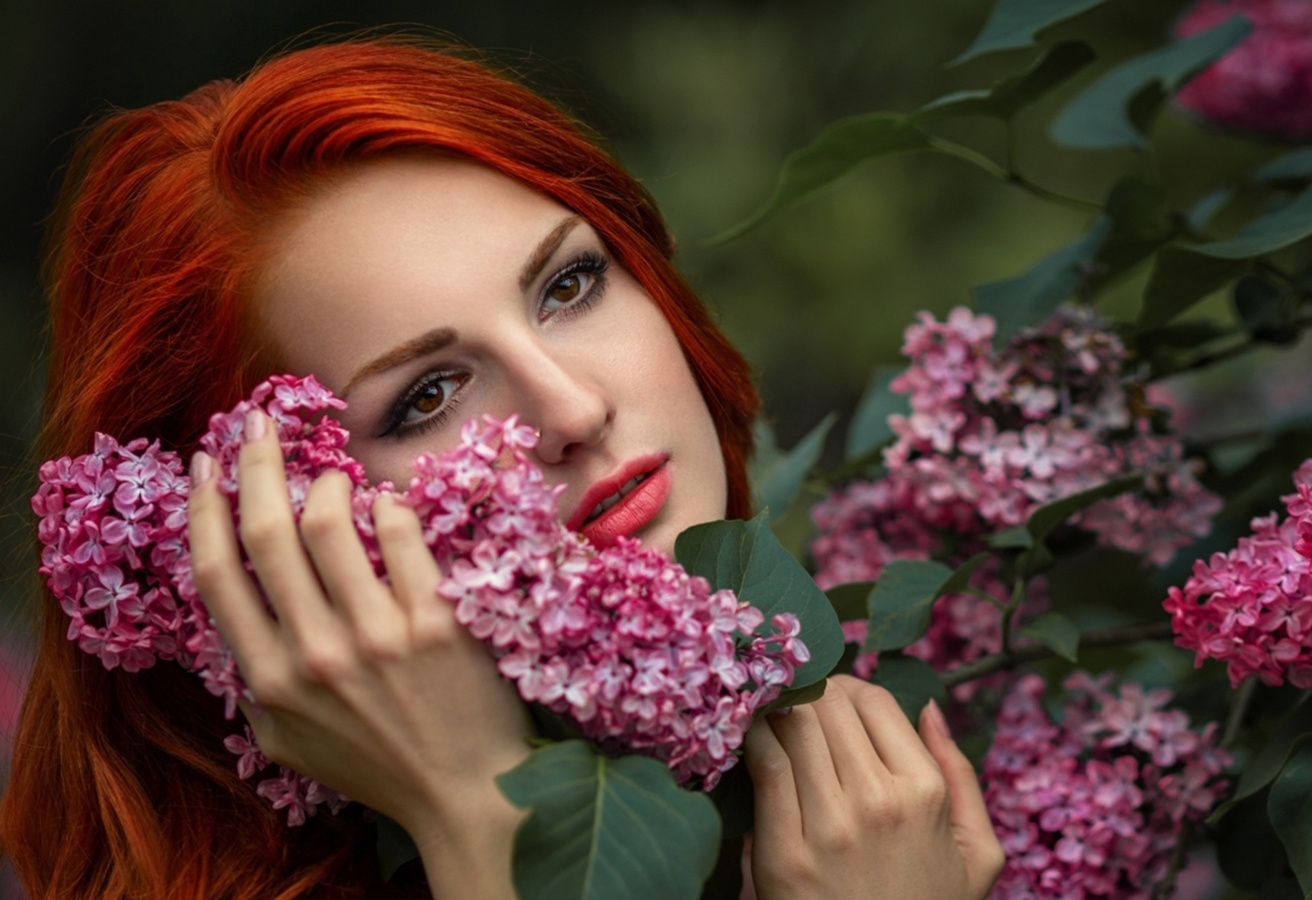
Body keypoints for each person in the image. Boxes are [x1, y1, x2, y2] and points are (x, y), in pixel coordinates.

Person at [1, 37, 1005, 900]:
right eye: (428, 395)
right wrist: (471, 805)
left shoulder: (915, 771)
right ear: (257, 536)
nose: (573, 409)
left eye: (570, 284)